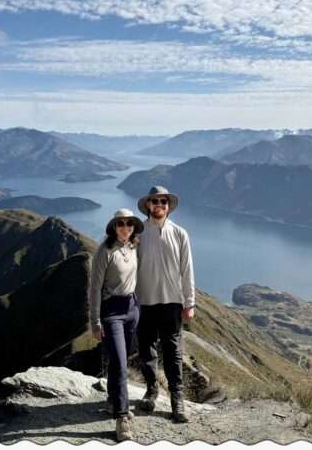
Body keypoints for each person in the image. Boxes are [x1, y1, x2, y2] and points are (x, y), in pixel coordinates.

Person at [135, 185, 195, 423]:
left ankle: (176, 399)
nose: (159, 204)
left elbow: (187, 269)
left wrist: (189, 302)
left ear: (168, 206)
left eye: (163, 201)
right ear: (148, 205)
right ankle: (151, 389)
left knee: (173, 351)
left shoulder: (180, 233)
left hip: (172, 301)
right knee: (146, 348)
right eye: (154, 201)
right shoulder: (138, 233)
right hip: (144, 300)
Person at [88, 208, 144, 442]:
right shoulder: (105, 251)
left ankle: (112, 400)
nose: (125, 227)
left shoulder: (132, 246)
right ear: (113, 227)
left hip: (131, 308)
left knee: (118, 359)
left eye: (129, 223)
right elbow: (94, 287)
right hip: (112, 312)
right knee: (121, 364)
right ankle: (122, 418)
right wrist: (95, 321)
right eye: (121, 223)